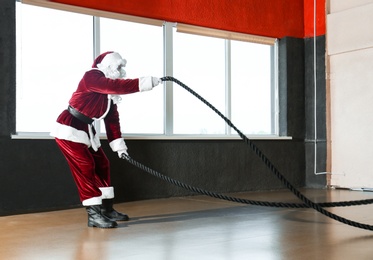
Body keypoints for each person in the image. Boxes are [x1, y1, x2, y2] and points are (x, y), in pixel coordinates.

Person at [51, 51, 161, 228]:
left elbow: (112, 123)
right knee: (85, 166)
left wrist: (120, 148)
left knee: (102, 164)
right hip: (70, 127)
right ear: (108, 65)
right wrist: (148, 82)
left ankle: (106, 209)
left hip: (87, 129)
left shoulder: (109, 97)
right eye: (118, 67)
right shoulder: (92, 76)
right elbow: (117, 86)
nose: (121, 70)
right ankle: (93, 215)